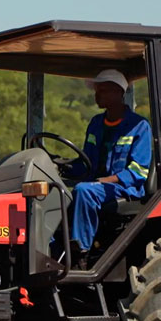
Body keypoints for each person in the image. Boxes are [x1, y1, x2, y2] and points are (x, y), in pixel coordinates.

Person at [63, 69, 152, 263]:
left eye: (102, 90)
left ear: (119, 93)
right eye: (97, 90)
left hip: (124, 189)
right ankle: (54, 249)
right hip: (96, 185)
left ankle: (81, 252)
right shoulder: (96, 123)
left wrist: (104, 180)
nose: (97, 95)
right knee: (56, 193)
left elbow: (138, 172)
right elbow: (86, 163)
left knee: (84, 191)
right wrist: (61, 167)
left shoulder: (139, 126)